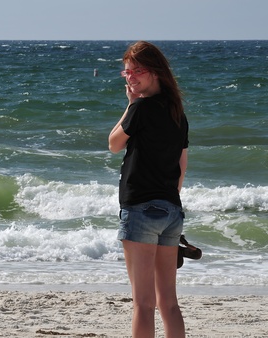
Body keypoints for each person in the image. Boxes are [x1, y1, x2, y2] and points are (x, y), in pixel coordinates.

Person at [108, 41, 188, 338]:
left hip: (141, 209)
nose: (130, 78)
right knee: (168, 302)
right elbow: (181, 167)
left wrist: (129, 104)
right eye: (126, 73)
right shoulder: (177, 113)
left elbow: (114, 144)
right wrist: (171, 205)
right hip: (170, 211)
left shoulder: (140, 108)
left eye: (136, 71)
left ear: (154, 72)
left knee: (143, 303)